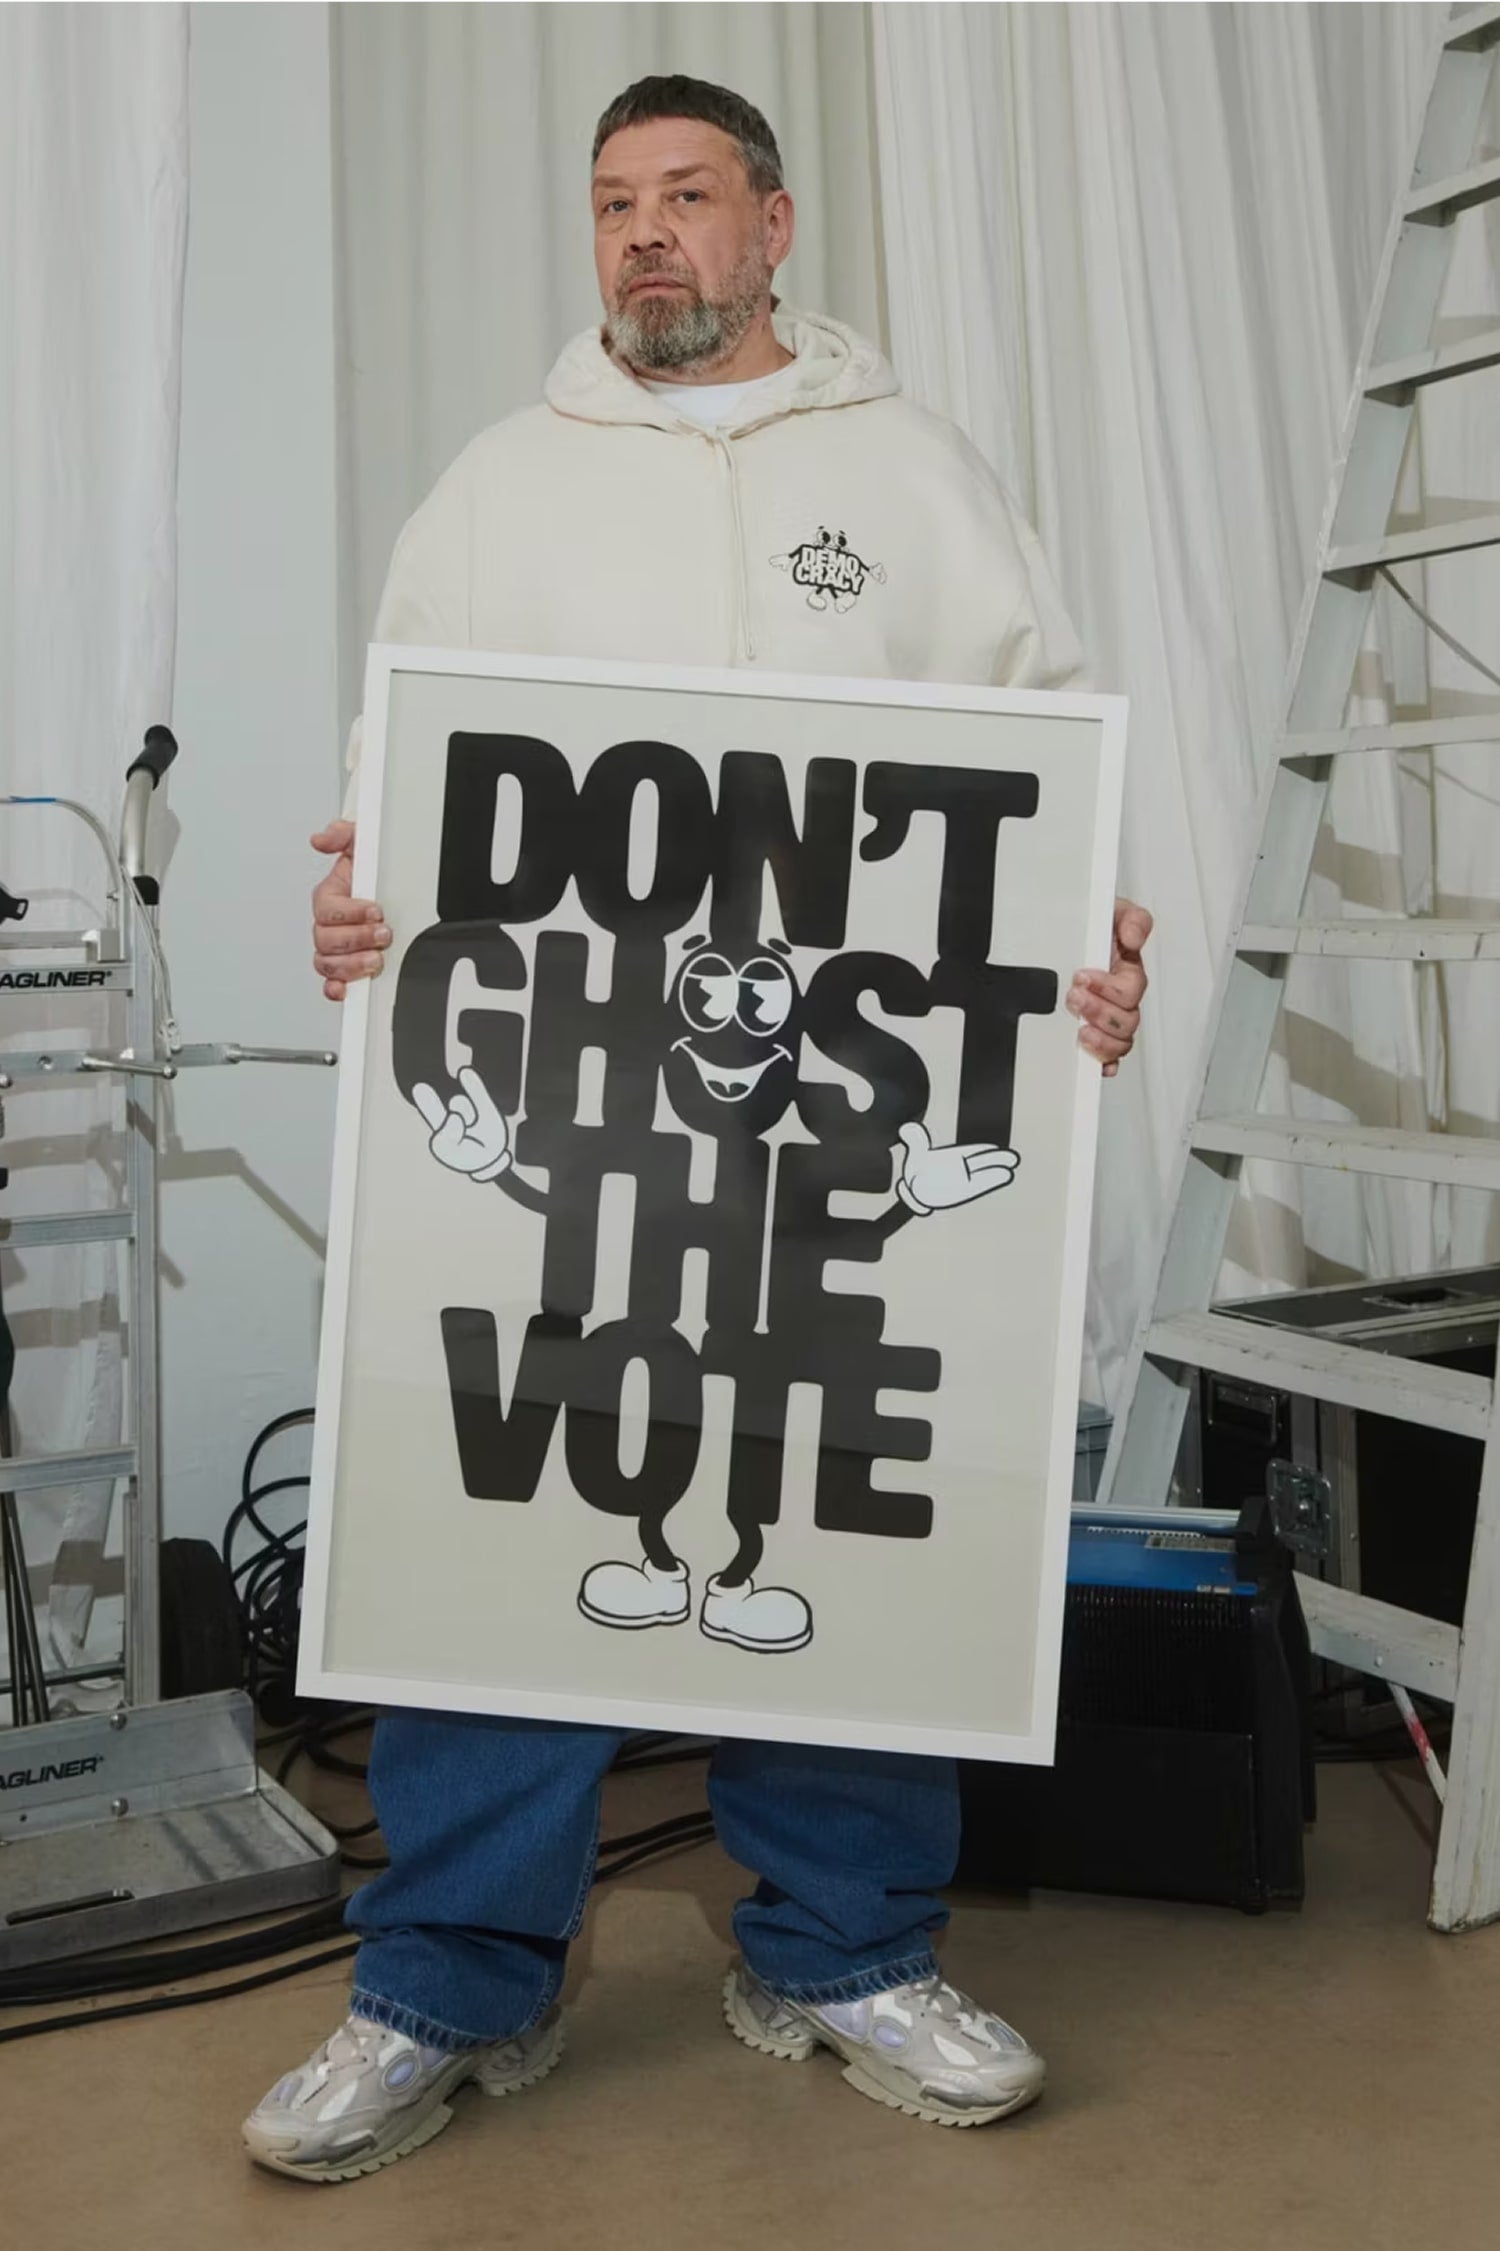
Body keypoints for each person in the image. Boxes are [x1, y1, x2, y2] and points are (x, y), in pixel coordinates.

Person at [245, 75, 1152, 2184]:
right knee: (503, 1497)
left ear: (773, 224)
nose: (645, 232)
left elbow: (1045, 780)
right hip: (585, 1125)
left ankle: (845, 1948)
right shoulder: (498, 490)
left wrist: (1086, 953)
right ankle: (451, 1978)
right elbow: (406, 787)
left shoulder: (920, 476)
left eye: (685, 196)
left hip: (829, 1117)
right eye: (612, 205)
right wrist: (365, 905)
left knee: (838, 1496)